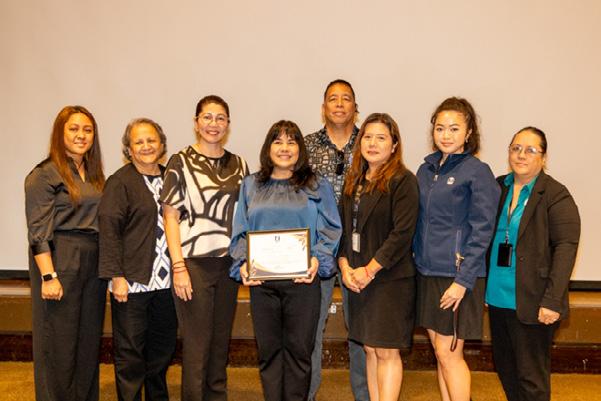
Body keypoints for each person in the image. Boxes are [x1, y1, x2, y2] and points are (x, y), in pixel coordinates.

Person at [229, 120, 342, 401]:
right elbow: (240, 229)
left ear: (300, 149)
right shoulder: (251, 185)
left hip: (302, 282)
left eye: (291, 142)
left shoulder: (316, 184)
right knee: (268, 353)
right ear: (268, 148)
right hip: (262, 284)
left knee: (299, 353)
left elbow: (331, 228)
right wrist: (242, 264)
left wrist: (317, 260)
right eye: (277, 141)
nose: (284, 148)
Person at [160, 95, 249, 401]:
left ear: (228, 124)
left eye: (220, 118)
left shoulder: (239, 164)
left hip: (228, 264)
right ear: (196, 123)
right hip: (193, 264)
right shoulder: (180, 161)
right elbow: (170, 217)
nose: (214, 124)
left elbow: (244, 216)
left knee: (219, 344)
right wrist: (178, 266)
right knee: (197, 345)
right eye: (207, 117)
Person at [413, 97, 500, 401]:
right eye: (440, 128)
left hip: (458, 277)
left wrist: (463, 281)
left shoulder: (478, 171)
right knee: (440, 353)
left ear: (468, 132)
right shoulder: (425, 170)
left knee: (450, 354)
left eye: (454, 128)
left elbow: (483, 230)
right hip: (427, 273)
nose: (446, 135)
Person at [486, 127, 580, 401]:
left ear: (544, 157)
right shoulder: (498, 187)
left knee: (531, 377)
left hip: (534, 300)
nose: (521, 155)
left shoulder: (555, 194)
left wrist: (552, 300)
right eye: (515, 148)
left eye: (530, 150)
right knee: (506, 369)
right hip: (497, 297)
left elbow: (566, 248)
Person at [24, 105, 106, 401]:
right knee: (58, 342)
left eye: (87, 130)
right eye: (73, 128)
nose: (81, 135)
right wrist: (49, 276)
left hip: (92, 260)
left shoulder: (94, 174)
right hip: (60, 259)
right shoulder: (44, 174)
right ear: (60, 133)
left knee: (87, 341)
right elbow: (38, 230)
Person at [339, 113, 418, 401]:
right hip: (358, 279)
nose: (372, 143)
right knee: (370, 349)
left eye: (381, 138)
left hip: (389, 281)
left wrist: (369, 270)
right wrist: (345, 267)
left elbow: (401, 234)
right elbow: (344, 231)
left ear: (394, 145)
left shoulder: (403, 181)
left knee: (386, 351)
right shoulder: (355, 181)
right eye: (368, 137)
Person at [98, 118, 177, 401]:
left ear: (162, 145)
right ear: (129, 149)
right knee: (130, 354)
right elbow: (109, 231)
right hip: (132, 282)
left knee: (161, 351)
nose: (146, 146)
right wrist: (116, 277)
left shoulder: (172, 178)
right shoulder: (120, 182)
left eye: (151, 140)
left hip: (168, 284)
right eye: (139, 142)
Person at [304, 79, 369, 401]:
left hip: (361, 250)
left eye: (346, 99)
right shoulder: (306, 146)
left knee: (361, 330)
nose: (340, 104)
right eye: (333, 98)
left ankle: (365, 395)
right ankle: (307, 394)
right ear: (324, 107)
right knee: (310, 329)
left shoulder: (370, 143)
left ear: (356, 107)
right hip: (317, 248)